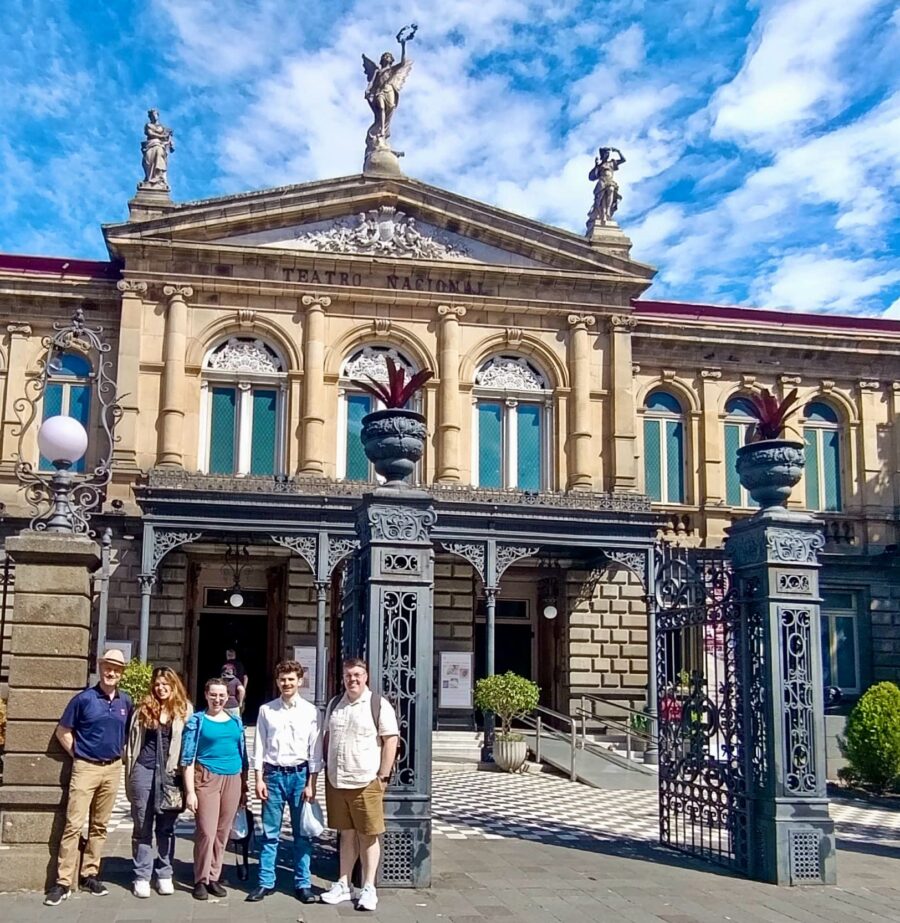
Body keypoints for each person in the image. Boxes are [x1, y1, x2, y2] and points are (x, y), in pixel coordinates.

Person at [44, 649, 133, 907]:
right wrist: (79, 754)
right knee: (73, 824)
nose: (111, 672)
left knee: (100, 825)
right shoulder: (83, 699)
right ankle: (62, 881)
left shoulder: (125, 702)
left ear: (122, 673)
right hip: (86, 767)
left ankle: (90, 874)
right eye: (108, 667)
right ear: (100, 667)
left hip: (112, 768)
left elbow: (127, 734)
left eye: (116, 669)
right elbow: (63, 731)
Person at [320, 658, 399, 912]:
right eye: (347, 675)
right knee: (346, 834)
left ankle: (368, 887)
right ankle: (343, 883)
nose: (352, 679)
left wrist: (383, 777)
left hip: (365, 780)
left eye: (357, 675)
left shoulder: (378, 704)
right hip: (337, 780)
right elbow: (327, 737)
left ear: (366, 676)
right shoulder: (335, 704)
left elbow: (390, 740)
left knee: (368, 834)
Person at [246, 660, 322, 904]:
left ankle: (303, 883)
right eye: (283, 679)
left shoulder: (311, 712)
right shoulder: (266, 710)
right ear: (277, 682)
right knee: (270, 833)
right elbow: (259, 746)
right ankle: (266, 882)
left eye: (291, 679)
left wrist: (312, 782)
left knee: (303, 833)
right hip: (274, 775)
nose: (287, 683)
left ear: (300, 681)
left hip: (300, 776)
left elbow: (315, 751)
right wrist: (258, 779)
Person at [124, 667, 193, 899]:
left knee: (166, 826)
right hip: (143, 769)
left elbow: (190, 745)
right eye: (157, 684)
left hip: (170, 774)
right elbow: (132, 740)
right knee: (142, 825)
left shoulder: (184, 710)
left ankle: (165, 873)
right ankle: (142, 875)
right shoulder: (143, 708)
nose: (161, 688)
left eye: (166, 684)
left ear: (174, 685)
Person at [180, 677, 248, 901]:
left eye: (222, 695)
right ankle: (200, 878)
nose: (218, 699)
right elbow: (187, 758)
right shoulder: (197, 721)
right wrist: (190, 791)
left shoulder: (235, 721)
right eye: (213, 695)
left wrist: (245, 784)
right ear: (206, 695)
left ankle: (214, 876)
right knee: (206, 831)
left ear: (228, 696)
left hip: (233, 777)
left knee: (222, 831)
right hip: (207, 777)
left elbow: (243, 753)